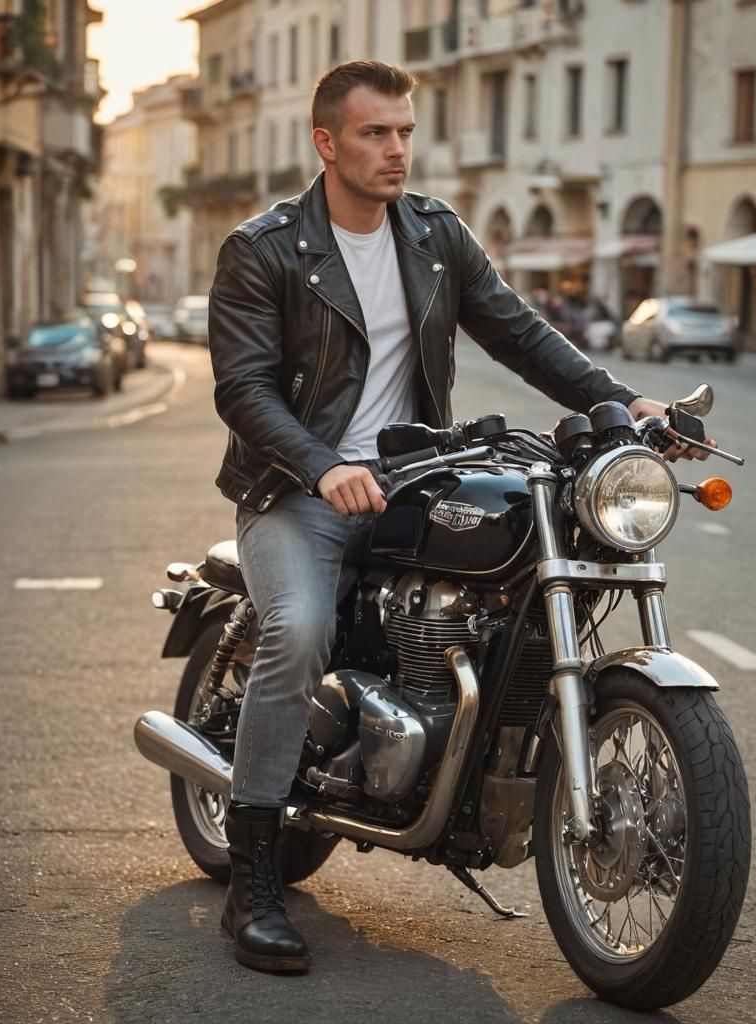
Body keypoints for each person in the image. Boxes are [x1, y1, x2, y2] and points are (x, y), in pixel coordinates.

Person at [207, 60, 704, 975]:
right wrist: (322, 466)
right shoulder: (266, 248)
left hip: (419, 480)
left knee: (507, 587)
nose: (397, 149)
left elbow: (519, 333)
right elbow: (242, 389)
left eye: (404, 131)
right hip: (297, 493)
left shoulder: (434, 234)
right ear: (326, 142)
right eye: (374, 133)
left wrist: (625, 405)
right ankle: (254, 878)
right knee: (303, 626)